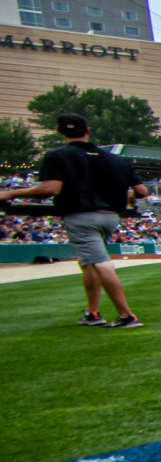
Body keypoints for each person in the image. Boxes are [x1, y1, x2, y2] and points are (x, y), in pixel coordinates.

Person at [0, 112, 150, 328]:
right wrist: (126, 196)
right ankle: (92, 312)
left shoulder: (57, 156)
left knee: (100, 263)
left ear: (59, 131)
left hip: (80, 216)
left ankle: (127, 316)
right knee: (89, 263)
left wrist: (11, 194)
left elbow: (50, 189)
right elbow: (141, 191)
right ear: (87, 131)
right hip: (110, 217)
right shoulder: (115, 159)